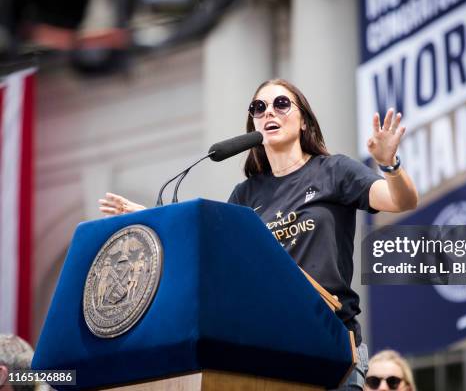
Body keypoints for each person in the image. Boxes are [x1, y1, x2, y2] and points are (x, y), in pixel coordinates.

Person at [98, 78, 418, 390]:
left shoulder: (334, 171)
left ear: (304, 121)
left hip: (330, 341)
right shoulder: (246, 194)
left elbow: (401, 201)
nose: (269, 113)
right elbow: (210, 251)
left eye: (281, 104)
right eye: (259, 108)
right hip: (269, 348)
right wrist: (153, 221)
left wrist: (390, 166)